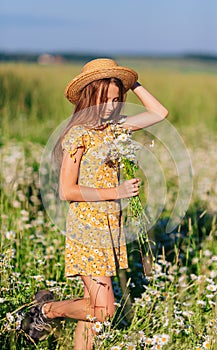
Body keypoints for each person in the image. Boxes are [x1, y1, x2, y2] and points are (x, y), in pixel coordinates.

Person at [25, 58, 168, 349]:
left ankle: (48, 316)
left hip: (109, 228)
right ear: (90, 97)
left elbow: (159, 112)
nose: (111, 106)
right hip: (87, 229)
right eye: (104, 99)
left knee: (93, 311)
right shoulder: (79, 135)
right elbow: (67, 190)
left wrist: (130, 81)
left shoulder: (115, 130)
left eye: (117, 99)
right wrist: (116, 191)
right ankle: (45, 311)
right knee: (105, 310)